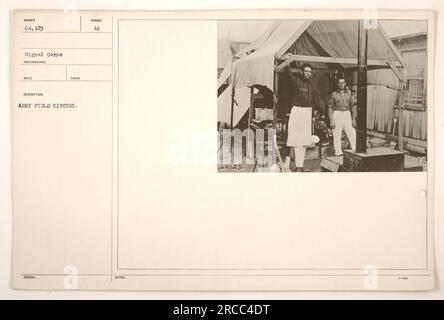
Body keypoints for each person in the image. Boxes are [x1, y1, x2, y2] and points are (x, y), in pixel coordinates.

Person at [286, 63, 325, 172]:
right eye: (306, 71)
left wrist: (314, 116)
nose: (308, 73)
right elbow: (289, 76)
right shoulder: (297, 81)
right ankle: (298, 166)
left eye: (309, 71)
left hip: (307, 113)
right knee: (296, 140)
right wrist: (288, 65)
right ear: (302, 72)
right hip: (297, 111)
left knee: (304, 142)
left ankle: (300, 166)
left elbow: (314, 100)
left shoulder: (311, 85)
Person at [327, 77, 356, 156]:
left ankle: (355, 149)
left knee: (352, 132)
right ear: (337, 84)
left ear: (345, 83)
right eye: (339, 83)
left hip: (347, 114)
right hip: (337, 114)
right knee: (337, 134)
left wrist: (353, 119)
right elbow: (330, 107)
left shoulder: (349, 94)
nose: (341, 84)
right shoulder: (334, 94)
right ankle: (338, 153)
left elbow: (353, 107)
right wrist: (331, 120)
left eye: (343, 83)